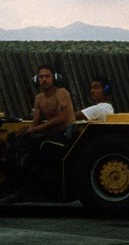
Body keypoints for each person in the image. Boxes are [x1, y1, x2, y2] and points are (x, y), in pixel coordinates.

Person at [0, 64, 76, 202]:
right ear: (37, 79)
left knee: (31, 144)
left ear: (55, 78)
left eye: (47, 76)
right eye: (41, 77)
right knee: (13, 139)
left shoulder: (62, 93)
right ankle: (11, 185)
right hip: (48, 134)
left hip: (64, 135)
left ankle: (24, 190)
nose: (44, 80)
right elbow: (35, 122)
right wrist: (23, 131)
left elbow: (62, 117)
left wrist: (34, 130)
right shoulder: (39, 98)